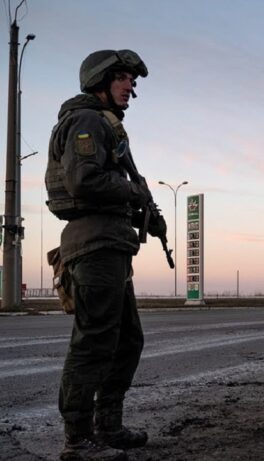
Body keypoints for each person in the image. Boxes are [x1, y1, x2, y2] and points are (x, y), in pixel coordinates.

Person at [45, 49, 166, 461]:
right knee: (94, 341)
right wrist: (135, 194)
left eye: (131, 80)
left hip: (111, 244)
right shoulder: (87, 121)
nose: (131, 87)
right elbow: (85, 181)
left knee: (127, 340)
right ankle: (77, 439)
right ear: (100, 81)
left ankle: (108, 425)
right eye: (123, 79)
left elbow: (106, 182)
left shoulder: (106, 126)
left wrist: (146, 215)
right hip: (94, 244)